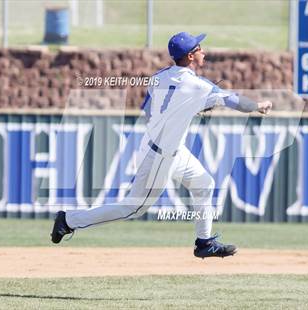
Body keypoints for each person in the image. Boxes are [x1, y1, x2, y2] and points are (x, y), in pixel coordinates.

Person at [51, 32, 272, 258]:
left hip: (167, 149)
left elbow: (148, 110)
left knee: (204, 183)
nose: (203, 51)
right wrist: (258, 105)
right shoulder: (197, 85)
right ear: (190, 56)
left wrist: (176, 115)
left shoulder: (160, 77)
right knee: (133, 208)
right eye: (199, 48)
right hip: (160, 156)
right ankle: (68, 220)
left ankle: (204, 242)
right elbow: (232, 100)